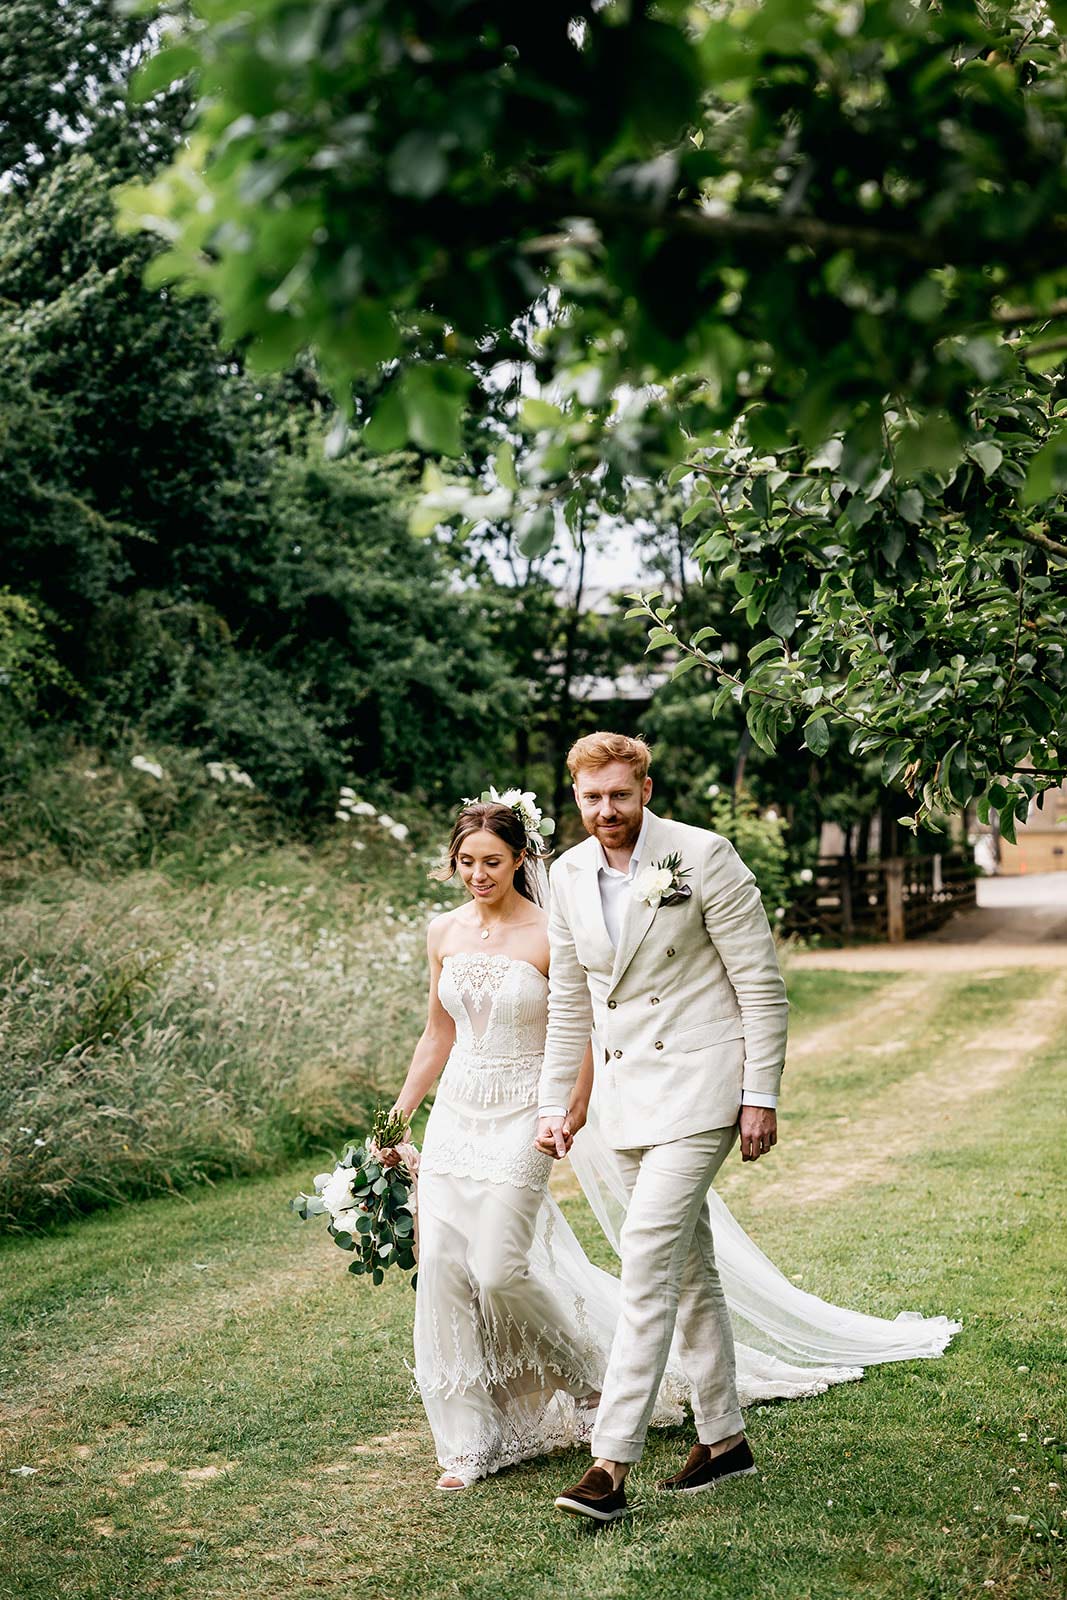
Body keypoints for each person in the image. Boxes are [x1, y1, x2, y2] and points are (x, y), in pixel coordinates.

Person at [390, 763, 959, 1497]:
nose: (606, 809)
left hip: (701, 1088)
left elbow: (758, 983)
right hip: (626, 1101)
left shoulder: (702, 854)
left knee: (647, 1259)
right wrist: (555, 1106)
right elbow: (573, 1008)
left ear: (646, 791)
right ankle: (723, 1440)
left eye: (618, 794)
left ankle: (611, 1460)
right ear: (574, 799)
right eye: (591, 797)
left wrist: (760, 1096)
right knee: (690, 1273)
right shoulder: (567, 874)